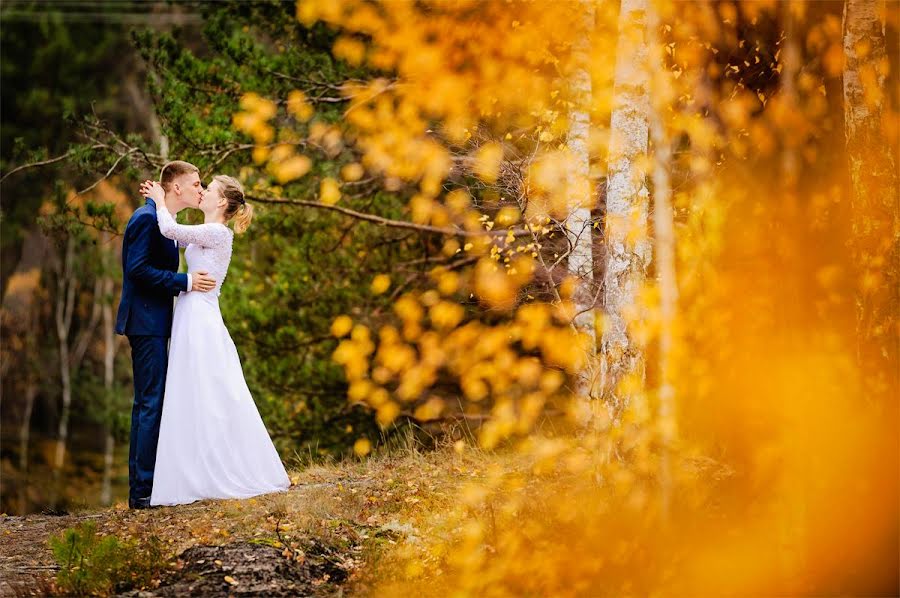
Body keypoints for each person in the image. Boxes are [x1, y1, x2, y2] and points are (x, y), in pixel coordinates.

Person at [138, 175, 290, 507]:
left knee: (207, 389)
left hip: (200, 319)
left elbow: (171, 231)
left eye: (209, 190)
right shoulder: (207, 232)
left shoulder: (217, 232)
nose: (203, 192)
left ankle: (213, 468)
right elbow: (174, 240)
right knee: (195, 389)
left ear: (221, 202)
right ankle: (194, 467)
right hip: (191, 313)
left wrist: (160, 199)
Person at [115, 160, 217, 510]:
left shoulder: (162, 220)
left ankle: (152, 486)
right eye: (196, 184)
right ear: (177, 187)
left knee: (153, 402)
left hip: (156, 322)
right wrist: (185, 282)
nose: (200, 190)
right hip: (145, 323)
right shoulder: (145, 219)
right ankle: (142, 493)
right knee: (150, 403)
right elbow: (137, 269)